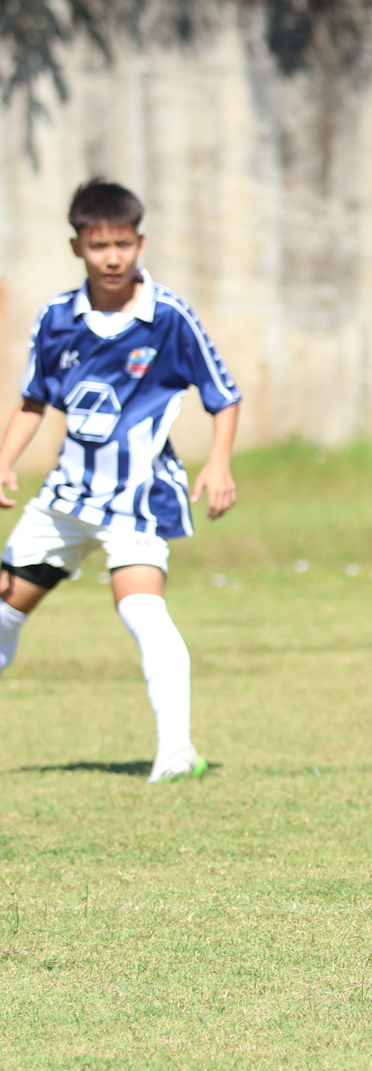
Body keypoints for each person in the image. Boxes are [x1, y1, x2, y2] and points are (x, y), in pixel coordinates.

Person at [0, 178, 243, 780]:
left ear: (141, 243)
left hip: (138, 499)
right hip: (66, 496)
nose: (112, 257)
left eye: (123, 244)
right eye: (98, 245)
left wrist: (219, 462)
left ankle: (176, 751)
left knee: (141, 611)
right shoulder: (57, 319)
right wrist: (4, 460)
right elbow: (33, 401)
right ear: (76, 246)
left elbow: (223, 394)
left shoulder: (168, 317)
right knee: (4, 611)